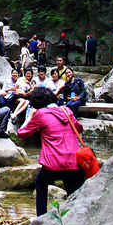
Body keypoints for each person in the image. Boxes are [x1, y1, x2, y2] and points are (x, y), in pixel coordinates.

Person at [17, 87, 87, 216]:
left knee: (40, 184)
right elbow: (80, 128)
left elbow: (21, 134)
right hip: (74, 161)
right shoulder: (66, 110)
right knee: (73, 192)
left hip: (53, 164)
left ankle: (41, 217)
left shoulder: (40, 114)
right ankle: (75, 220)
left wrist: (30, 116)